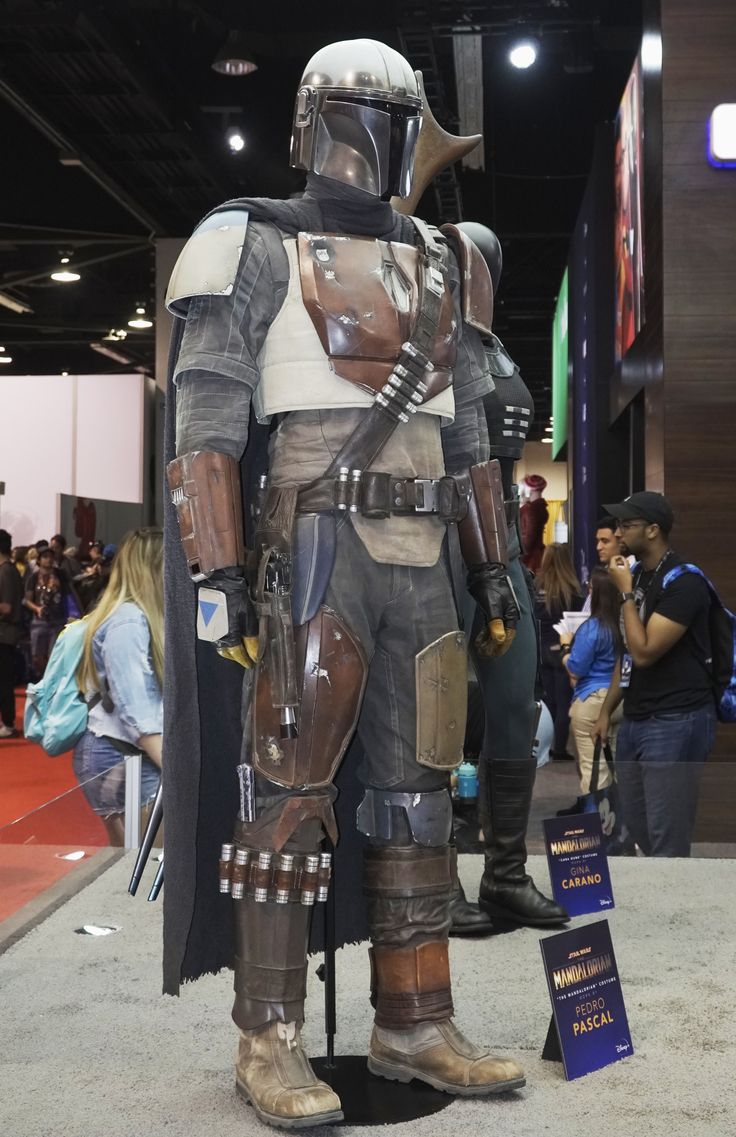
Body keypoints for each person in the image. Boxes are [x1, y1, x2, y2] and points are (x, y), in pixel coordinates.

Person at [164, 38, 525, 1130]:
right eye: (369, 113)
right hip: (313, 548)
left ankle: (413, 1022)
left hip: (421, 567)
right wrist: (218, 570)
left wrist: (495, 567)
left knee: (417, 795)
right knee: (291, 795)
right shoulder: (248, 239)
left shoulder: (439, 254)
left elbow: (465, 434)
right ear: (327, 119)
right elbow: (207, 420)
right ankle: (266, 1038)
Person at [448, 222, 568, 934]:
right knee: (437, 720)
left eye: (488, 260)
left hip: (499, 556)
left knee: (516, 709)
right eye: (469, 259)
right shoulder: (427, 342)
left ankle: (504, 874)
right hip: (437, 547)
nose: (479, 270)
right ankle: (433, 877)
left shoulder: (493, 349)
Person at [593, 492, 716, 857]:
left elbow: (645, 651)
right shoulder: (635, 576)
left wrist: (627, 596)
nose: (618, 533)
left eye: (626, 526)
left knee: (667, 833)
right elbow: (627, 653)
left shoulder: (683, 582)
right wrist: (605, 711)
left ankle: (676, 911)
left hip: (677, 717)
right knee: (638, 824)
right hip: (636, 716)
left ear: (652, 530)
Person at [73, 528, 163, 847]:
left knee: (133, 867)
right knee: (146, 867)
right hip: (122, 755)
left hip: (120, 753)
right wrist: (182, 770)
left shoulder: (125, 615)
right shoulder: (128, 621)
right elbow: (139, 712)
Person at [559, 566, 624, 807]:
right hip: (618, 701)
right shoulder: (623, 626)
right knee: (615, 768)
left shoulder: (592, 629)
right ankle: (619, 834)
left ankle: (596, 833)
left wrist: (565, 649)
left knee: (593, 771)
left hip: (591, 701)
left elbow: (576, 668)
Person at [535, 543, 585, 760]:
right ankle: (560, 748)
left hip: (541, 650)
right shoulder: (572, 591)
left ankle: (544, 746)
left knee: (548, 701)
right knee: (564, 701)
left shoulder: (537, 588)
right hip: (562, 650)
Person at [23, 546, 66, 677]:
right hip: (39, 620)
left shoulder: (60, 575)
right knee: (37, 656)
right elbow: (26, 600)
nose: (48, 560)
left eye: (50, 557)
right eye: (45, 557)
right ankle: (42, 676)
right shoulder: (34, 577)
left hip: (57, 620)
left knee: (54, 655)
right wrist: (37, 608)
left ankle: (50, 680)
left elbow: (69, 594)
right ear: (39, 560)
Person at [0, 529, 24, 738]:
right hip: (6, 633)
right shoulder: (9, 569)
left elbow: (6, 607)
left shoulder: (6, 571)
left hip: (4, 633)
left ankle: (8, 724)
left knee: (4, 682)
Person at [519, 474, 548, 572]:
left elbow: (528, 538)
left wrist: (520, 558)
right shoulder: (541, 508)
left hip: (529, 561)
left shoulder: (530, 510)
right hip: (537, 557)